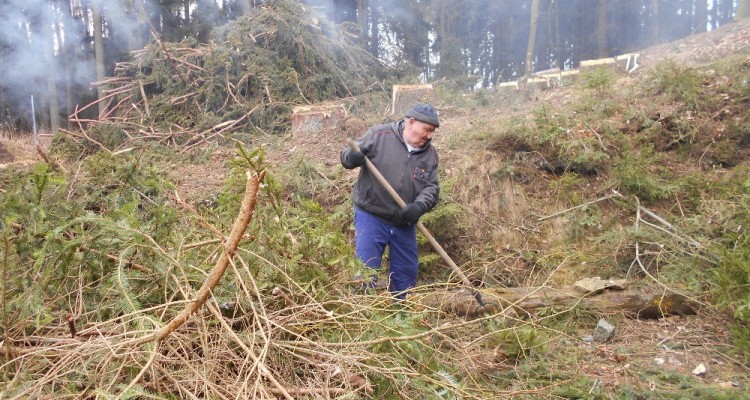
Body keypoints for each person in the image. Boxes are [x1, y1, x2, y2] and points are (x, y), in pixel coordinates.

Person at [340, 103, 441, 299]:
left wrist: (419, 207)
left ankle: (401, 313)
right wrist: (352, 157)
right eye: (426, 130)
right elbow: (346, 155)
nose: (429, 135)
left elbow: (432, 188)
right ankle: (361, 311)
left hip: (404, 221)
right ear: (411, 122)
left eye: (433, 131)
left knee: (406, 271)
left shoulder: (430, 155)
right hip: (371, 214)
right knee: (365, 268)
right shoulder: (380, 136)